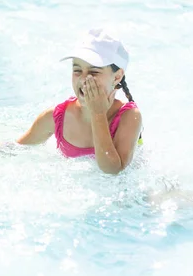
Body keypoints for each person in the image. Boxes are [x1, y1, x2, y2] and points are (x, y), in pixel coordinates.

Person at [16, 28, 143, 174]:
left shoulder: (129, 117)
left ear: (117, 77)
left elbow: (112, 169)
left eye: (94, 72)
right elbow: (18, 148)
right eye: (77, 70)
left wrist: (98, 114)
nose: (83, 78)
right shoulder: (57, 117)